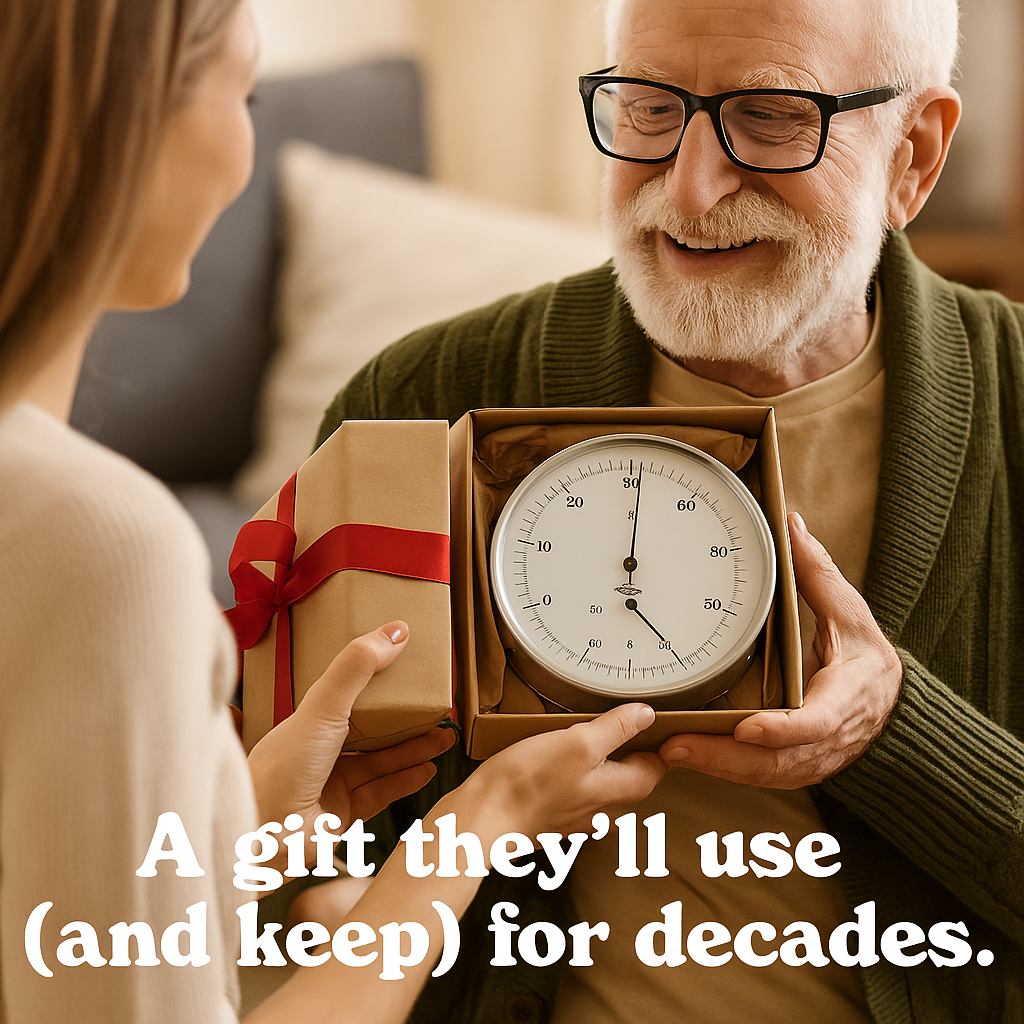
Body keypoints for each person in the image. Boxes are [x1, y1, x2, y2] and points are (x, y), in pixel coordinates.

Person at [316, 0, 1024, 1020]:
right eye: (648, 107)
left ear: (913, 154)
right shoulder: (418, 402)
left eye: (773, 117)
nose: (690, 190)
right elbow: (280, 854)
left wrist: (894, 729)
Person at [0, 2, 667, 1022]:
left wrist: (239, 826)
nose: (249, 146)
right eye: (248, 93)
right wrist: (477, 822)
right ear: (129, 121)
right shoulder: (105, 544)